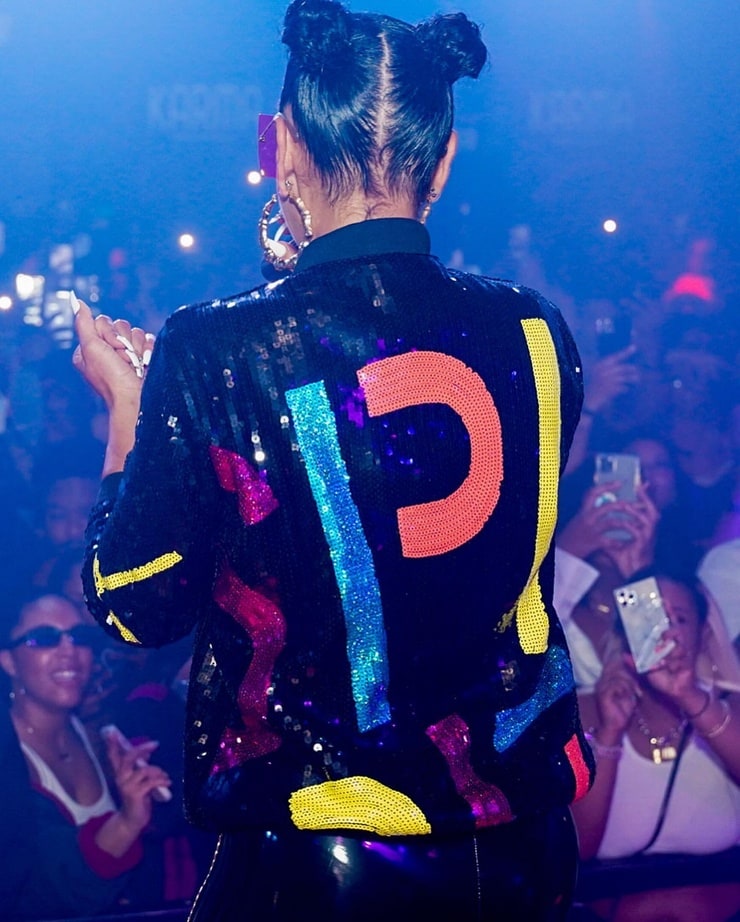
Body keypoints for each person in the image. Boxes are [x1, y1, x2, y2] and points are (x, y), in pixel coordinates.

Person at [73, 2, 594, 919]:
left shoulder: (219, 347)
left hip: (327, 864)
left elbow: (136, 604)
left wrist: (129, 416)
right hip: (524, 853)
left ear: (282, 147)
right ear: (444, 159)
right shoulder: (534, 328)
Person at [570, 567, 740, 922]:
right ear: (624, 634)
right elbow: (577, 850)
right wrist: (610, 732)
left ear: (702, 634)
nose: (664, 631)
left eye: (679, 618)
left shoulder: (730, 710)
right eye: (651, 617)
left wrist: (689, 697)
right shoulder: (582, 711)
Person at [0, 591, 172, 920]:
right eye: (44, 638)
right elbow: (29, 888)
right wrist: (125, 824)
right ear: (8, 661)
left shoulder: (99, 737)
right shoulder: (6, 755)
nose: (69, 651)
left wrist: (145, 800)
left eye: (80, 637)